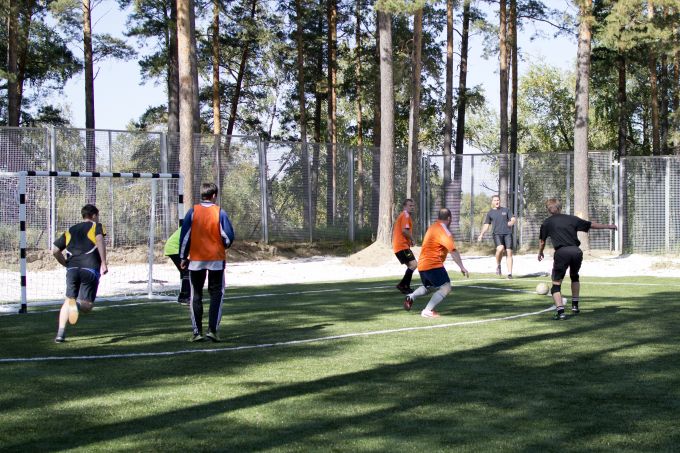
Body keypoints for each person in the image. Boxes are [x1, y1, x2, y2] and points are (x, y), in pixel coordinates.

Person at [537, 198, 617, 320]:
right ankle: (575, 306)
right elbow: (591, 225)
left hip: (561, 253)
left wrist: (540, 252)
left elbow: (542, 241)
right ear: (560, 207)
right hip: (576, 252)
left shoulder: (547, 223)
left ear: (548, 209)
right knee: (574, 276)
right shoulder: (571, 219)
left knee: (556, 284)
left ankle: (560, 312)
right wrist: (609, 226)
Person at [179, 182, 235, 342]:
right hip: (216, 259)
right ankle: (212, 330)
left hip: (196, 260)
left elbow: (185, 236)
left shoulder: (193, 211)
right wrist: (222, 245)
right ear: (214, 196)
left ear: (202, 195)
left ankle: (197, 332)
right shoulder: (220, 212)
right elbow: (228, 236)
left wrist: (183, 257)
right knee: (216, 294)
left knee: (196, 295)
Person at [52, 204, 108, 343]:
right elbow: (99, 239)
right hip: (89, 268)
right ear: (94, 216)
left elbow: (55, 250)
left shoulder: (70, 230)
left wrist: (66, 264)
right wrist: (103, 262)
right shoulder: (97, 226)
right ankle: (76, 306)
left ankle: (60, 334)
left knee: (68, 300)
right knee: (87, 306)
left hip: (72, 269)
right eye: (97, 216)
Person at [404, 208, 469, 318]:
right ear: (449, 218)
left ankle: (411, 296)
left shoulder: (432, 227)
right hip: (433, 264)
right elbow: (453, 251)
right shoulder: (444, 231)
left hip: (422, 265)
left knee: (429, 288)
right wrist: (462, 267)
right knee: (446, 287)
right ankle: (427, 311)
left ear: (439, 217)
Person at [477, 194, 516, 278]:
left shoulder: (506, 210)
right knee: (500, 248)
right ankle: (498, 265)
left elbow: (513, 219)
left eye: (498, 200)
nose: (497, 202)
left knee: (509, 252)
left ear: (499, 201)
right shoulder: (490, 213)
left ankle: (509, 274)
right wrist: (481, 234)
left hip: (507, 234)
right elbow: (486, 225)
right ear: (492, 202)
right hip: (497, 234)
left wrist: (512, 222)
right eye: (495, 200)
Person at [393, 198, 417, 294]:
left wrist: (409, 241)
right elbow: (404, 230)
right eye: (410, 205)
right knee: (414, 265)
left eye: (413, 205)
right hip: (401, 246)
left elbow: (404, 231)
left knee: (411, 266)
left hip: (400, 246)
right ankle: (403, 285)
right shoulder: (405, 215)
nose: (412, 207)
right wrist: (412, 239)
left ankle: (404, 286)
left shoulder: (404, 215)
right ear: (404, 206)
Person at [164, 227, 191, 305]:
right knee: (188, 271)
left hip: (175, 247)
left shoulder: (193, 224)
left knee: (187, 271)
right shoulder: (194, 226)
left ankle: (184, 296)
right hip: (174, 248)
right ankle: (184, 297)